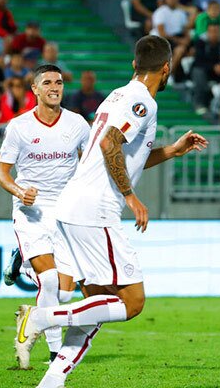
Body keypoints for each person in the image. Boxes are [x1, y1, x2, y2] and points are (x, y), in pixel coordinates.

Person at [12, 35, 208, 388]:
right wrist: (130, 196)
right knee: (131, 302)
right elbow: (108, 143)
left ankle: (52, 381)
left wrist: (173, 151)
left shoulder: (117, 95)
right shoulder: (142, 102)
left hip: (74, 207)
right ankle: (41, 317)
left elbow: (126, 156)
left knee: (99, 305)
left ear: (135, 65)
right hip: (95, 211)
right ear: (167, 69)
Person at [0, 64, 91, 368]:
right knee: (48, 281)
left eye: (59, 82)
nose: (55, 87)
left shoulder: (77, 124)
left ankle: (20, 264)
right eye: (48, 82)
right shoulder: (19, 126)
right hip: (31, 211)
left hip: (64, 212)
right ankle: (55, 354)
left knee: (64, 293)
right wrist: (18, 190)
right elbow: (2, 173)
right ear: (35, 89)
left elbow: (88, 164)